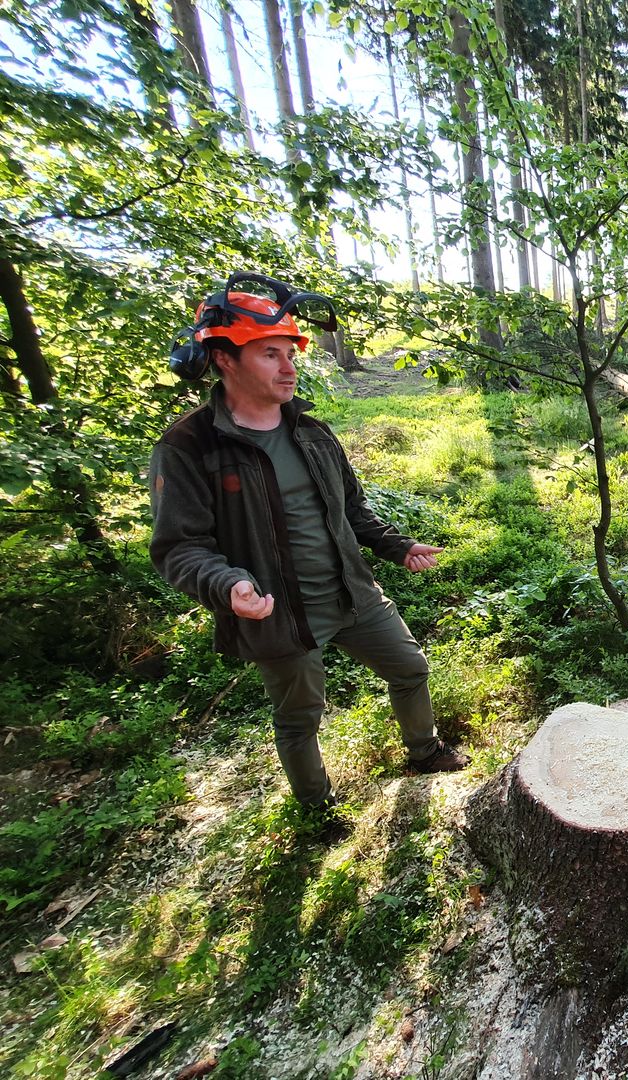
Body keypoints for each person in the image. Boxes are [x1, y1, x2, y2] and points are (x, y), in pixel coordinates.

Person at [150, 277, 468, 823]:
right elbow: (179, 547)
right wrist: (229, 586)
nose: (288, 366)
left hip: (352, 592)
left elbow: (352, 509)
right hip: (277, 613)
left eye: (289, 352)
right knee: (300, 718)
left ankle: (424, 752)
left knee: (410, 668)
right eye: (269, 354)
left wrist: (398, 547)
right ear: (224, 359)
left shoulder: (313, 432)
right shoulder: (188, 446)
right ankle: (318, 809)